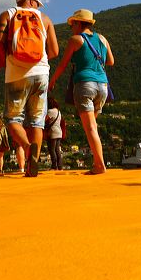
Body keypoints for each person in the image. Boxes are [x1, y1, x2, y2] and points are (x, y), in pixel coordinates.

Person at [0, 0, 59, 177]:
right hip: (41, 73)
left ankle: (28, 149)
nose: (38, 6)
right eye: (37, 3)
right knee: (37, 122)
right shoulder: (45, 19)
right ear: (30, 1)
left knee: (13, 119)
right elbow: (54, 51)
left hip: (15, 74)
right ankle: (31, 165)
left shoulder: (7, 15)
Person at [49, 9, 113, 175]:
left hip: (85, 84)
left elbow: (63, 64)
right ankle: (96, 163)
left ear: (78, 23)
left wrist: (53, 80)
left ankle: (100, 165)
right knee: (93, 127)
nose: (71, 28)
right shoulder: (103, 38)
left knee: (90, 127)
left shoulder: (76, 40)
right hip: (103, 86)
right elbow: (111, 61)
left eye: (72, 24)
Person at [44, 97, 63, 170]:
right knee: (57, 150)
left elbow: (45, 119)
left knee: (52, 150)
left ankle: (54, 166)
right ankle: (60, 166)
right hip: (59, 132)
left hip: (52, 132)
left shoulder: (50, 111)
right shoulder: (58, 111)